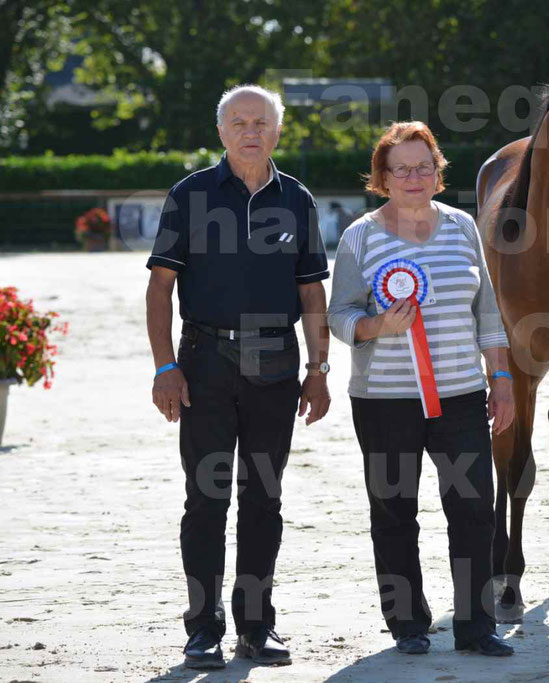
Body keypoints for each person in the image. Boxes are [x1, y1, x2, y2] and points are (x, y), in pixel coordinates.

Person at [146, 84, 331, 669]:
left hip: (275, 362)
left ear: (277, 131)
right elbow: (159, 288)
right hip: (203, 362)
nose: (250, 131)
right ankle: (203, 629)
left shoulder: (298, 200)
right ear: (221, 131)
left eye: (261, 122)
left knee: (265, 497)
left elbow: (311, 292)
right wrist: (165, 367)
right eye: (238, 122)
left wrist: (319, 368)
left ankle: (257, 626)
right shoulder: (190, 194)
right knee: (205, 498)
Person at [328, 121, 515, 657]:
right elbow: (339, 316)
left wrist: (499, 377)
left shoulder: (462, 227)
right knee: (393, 509)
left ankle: (476, 625)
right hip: (384, 400)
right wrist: (375, 326)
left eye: (424, 166)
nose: (414, 177)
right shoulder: (359, 235)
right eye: (401, 168)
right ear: (381, 178)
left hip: (460, 396)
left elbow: (487, 311)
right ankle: (407, 623)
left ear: (438, 174)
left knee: (474, 506)